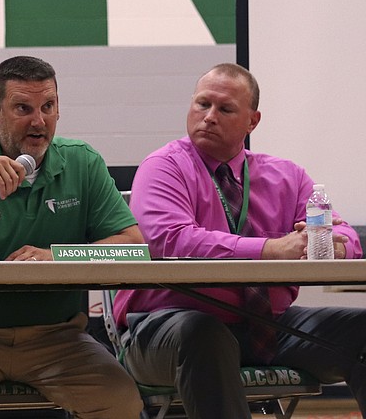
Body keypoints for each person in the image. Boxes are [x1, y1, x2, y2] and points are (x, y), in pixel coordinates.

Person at [113, 63, 366, 418]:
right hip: (163, 329)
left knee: (361, 330)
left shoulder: (288, 176)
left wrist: (334, 245)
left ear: (252, 121)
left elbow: (344, 233)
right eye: (202, 104)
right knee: (203, 333)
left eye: (225, 109)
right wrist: (272, 250)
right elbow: (172, 241)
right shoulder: (163, 166)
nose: (209, 117)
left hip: (265, 327)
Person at [0, 55, 144, 419]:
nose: (39, 121)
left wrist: (59, 257)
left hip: (56, 338)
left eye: (48, 106)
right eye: (23, 108)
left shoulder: (81, 163)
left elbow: (131, 243)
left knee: (120, 399)